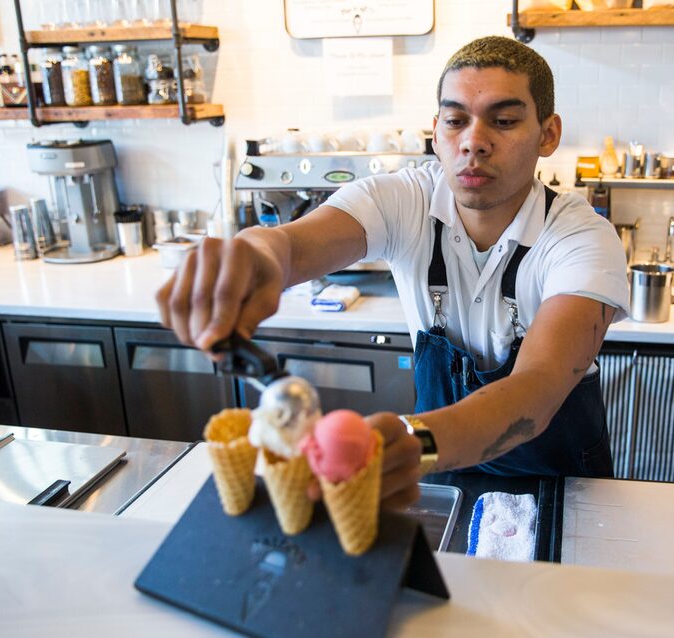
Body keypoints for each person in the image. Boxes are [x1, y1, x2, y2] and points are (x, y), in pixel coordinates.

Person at [156, 36, 629, 510]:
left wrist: (411, 442)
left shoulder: (582, 238)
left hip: (562, 491)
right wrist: (252, 257)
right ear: (436, 129)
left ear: (548, 134)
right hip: (440, 474)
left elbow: (537, 390)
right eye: (455, 121)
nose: (473, 142)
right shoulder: (403, 201)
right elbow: (291, 244)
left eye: (504, 122)